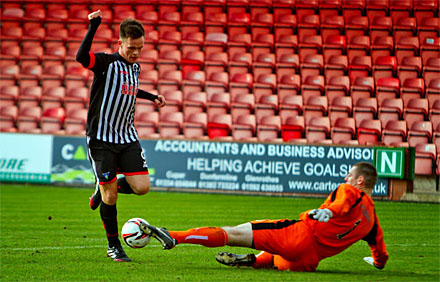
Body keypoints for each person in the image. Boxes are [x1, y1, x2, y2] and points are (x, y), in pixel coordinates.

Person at [142, 162, 389, 271]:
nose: (345, 180)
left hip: (300, 234)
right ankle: (257, 261)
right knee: (278, 258)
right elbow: (381, 255)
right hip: (306, 261)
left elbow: (342, 204)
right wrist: (376, 263)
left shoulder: (350, 191)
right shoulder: (372, 222)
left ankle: (173, 236)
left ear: (360, 181)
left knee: (234, 232)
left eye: (349, 176)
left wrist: (326, 211)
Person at [76, 10, 166, 262]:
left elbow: (130, 90)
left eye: (140, 47)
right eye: (131, 47)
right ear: (120, 43)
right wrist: (93, 26)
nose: (136, 52)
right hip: (101, 139)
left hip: (127, 136)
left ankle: (102, 186)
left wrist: (152, 97)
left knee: (142, 187)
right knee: (111, 195)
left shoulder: (135, 67)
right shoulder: (106, 63)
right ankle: (113, 246)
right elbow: (81, 57)